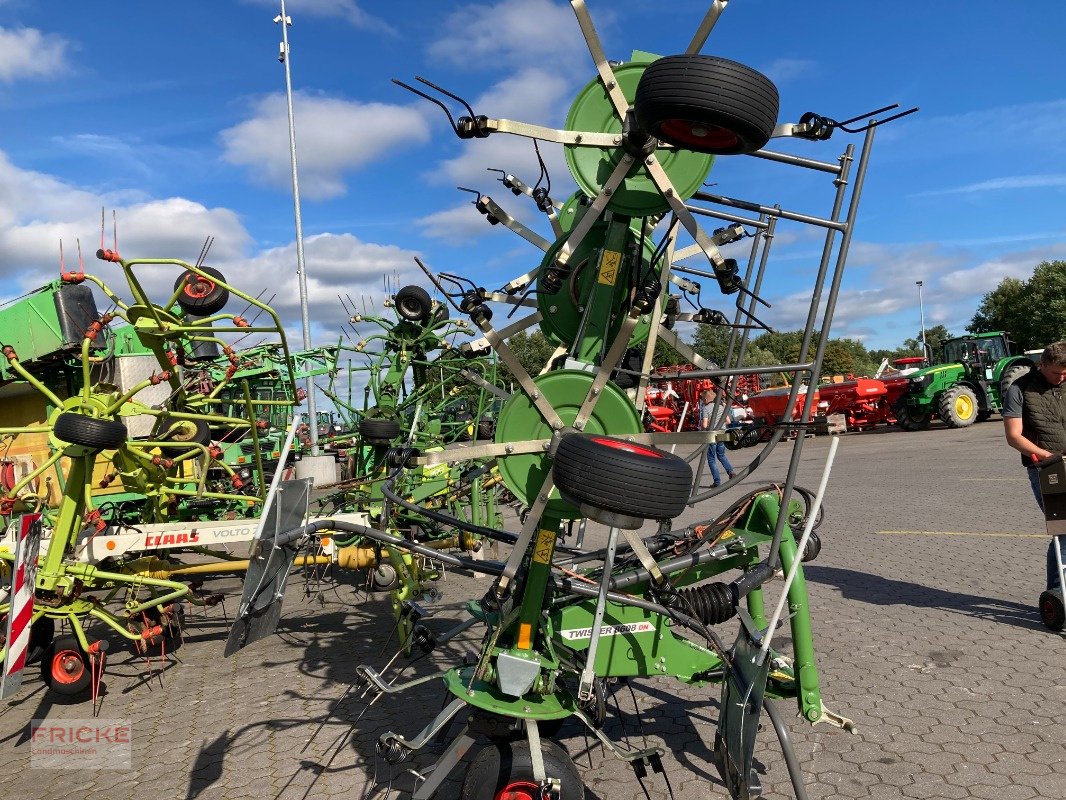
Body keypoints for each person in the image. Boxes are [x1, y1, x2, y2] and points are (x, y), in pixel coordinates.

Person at [1002, 341, 1066, 591]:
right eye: (1055, 373)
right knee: (1063, 529)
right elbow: (1013, 436)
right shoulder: (1020, 389)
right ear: (1042, 365)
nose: (1061, 377)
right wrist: (1047, 456)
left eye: (1065, 373)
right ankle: (1058, 593)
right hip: (1046, 468)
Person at [700, 388, 736, 488]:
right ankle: (731, 472)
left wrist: (702, 428)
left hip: (712, 435)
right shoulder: (721, 406)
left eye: (702, 399)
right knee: (721, 455)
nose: (702, 400)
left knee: (711, 459)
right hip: (722, 434)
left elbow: (705, 424)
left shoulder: (706, 408)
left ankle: (717, 481)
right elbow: (728, 421)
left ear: (706, 399)